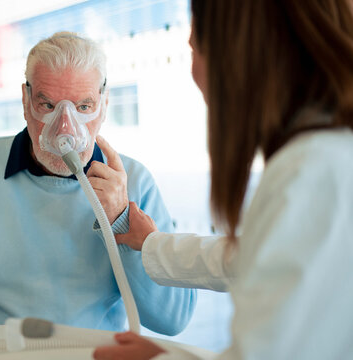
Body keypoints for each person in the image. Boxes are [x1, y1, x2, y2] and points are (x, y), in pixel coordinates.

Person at [0, 32, 196, 334]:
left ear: (103, 105)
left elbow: (173, 318)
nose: (65, 129)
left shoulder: (134, 183)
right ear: (25, 100)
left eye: (83, 107)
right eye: (48, 106)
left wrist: (120, 222)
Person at [93, 0, 353, 359]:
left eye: (195, 45)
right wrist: (151, 243)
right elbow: (252, 255)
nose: (193, 68)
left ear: (238, 53)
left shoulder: (311, 172)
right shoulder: (324, 156)